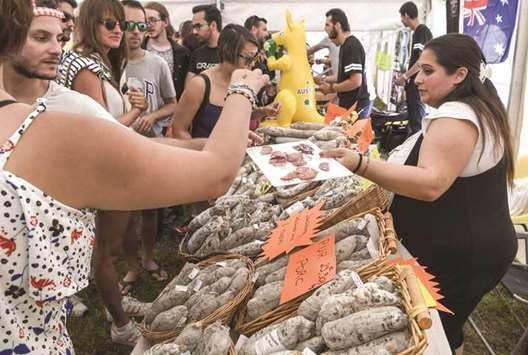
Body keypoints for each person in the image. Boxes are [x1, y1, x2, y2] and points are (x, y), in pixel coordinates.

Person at [0, 0, 268, 353]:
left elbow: (127, 145)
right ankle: (122, 321)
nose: (127, 32)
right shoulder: (43, 128)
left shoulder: (55, 114)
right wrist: (243, 89)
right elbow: (216, 173)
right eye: (36, 33)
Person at [321, 33, 517, 354]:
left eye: (428, 71)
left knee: (433, 331)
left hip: (462, 256)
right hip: (473, 249)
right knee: (446, 329)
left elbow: (430, 184)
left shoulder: (456, 117)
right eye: (418, 71)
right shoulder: (476, 109)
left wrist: (359, 164)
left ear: (459, 75)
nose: (417, 80)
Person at [317, 8, 371, 117]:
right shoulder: (344, 46)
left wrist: (331, 88)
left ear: (337, 25)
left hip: (357, 108)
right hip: (350, 107)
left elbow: (355, 81)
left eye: (327, 25)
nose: (325, 29)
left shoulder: (352, 46)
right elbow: (344, 77)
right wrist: (333, 98)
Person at [394, 1, 433, 134]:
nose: (401, 20)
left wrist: (405, 76)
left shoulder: (421, 31)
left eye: (402, 17)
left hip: (418, 86)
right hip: (414, 86)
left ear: (406, 15)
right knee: (414, 121)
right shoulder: (417, 33)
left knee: (417, 124)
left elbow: (422, 60)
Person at [143, 1, 190, 101]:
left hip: (173, 112)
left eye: (153, 20)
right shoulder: (139, 48)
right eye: (145, 21)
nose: (149, 25)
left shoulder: (182, 53)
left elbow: (185, 88)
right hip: (145, 111)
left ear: (165, 22)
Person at [186, 4, 221, 81]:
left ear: (213, 25)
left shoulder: (231, 53)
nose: (194, 32)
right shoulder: (196, 54)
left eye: (198, 26)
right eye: (194, 27)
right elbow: (188, 88)